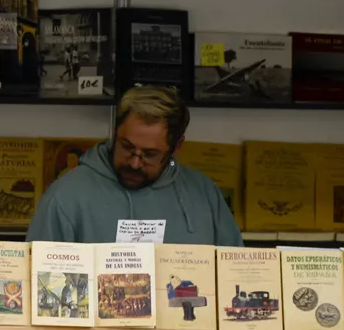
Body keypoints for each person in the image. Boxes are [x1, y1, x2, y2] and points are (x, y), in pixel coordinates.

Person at [27, 85, 242, 244]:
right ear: (114, 133)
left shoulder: (204, 194)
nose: (135, 163)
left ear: (177, 147)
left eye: (149, 154)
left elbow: (234, 275)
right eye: (127, 147)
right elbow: (39, 287)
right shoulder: (66, 196)